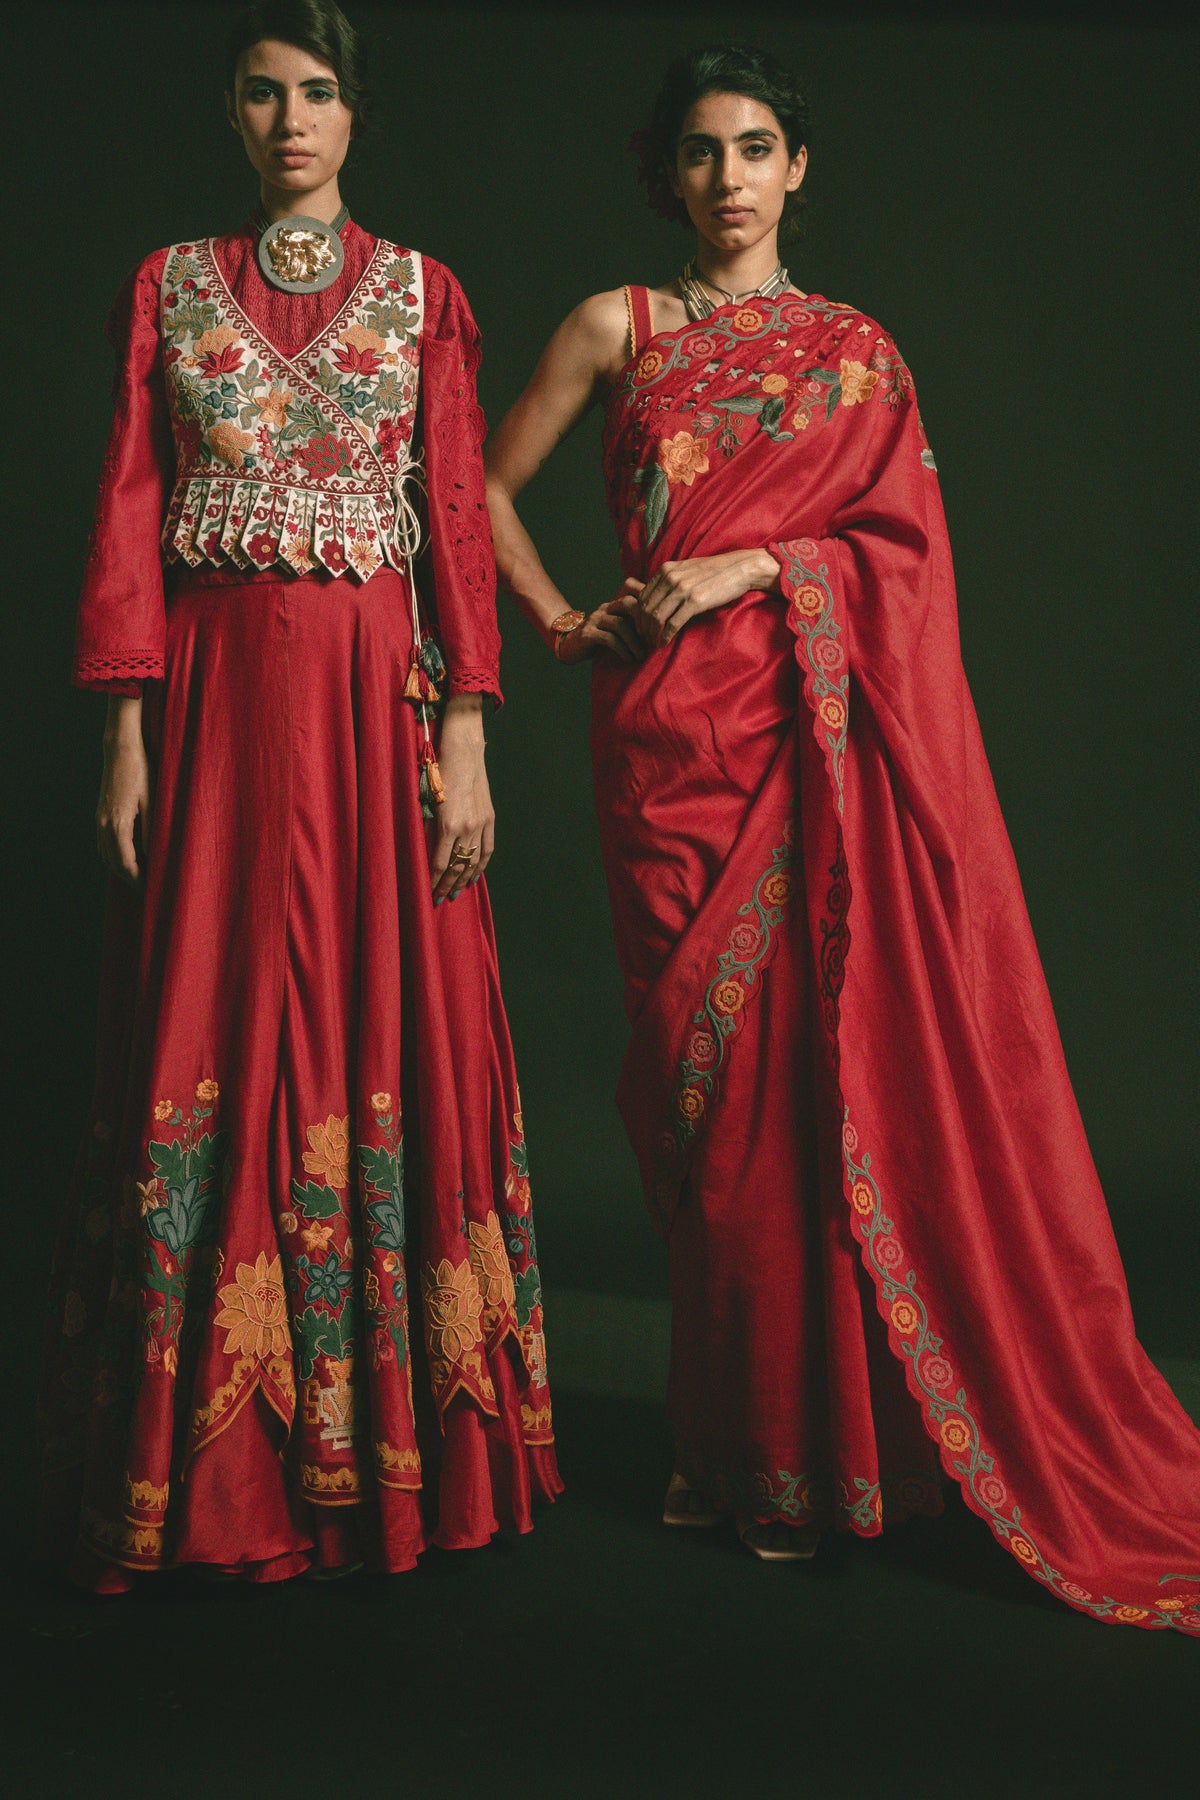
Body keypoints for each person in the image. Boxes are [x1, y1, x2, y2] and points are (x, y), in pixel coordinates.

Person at [484, 42, 1200, 1629]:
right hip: (669, 754)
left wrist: (757, 572)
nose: (728, 177)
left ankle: (816, 1460)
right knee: (709, 1116)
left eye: (755, 148)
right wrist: (556, 623)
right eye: (699, 152)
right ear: (666, 175)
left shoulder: (858, 354)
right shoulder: (622, 326)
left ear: (798, 168)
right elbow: (469, 484)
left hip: (813, 750)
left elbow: (904, 564)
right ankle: (726, 1442)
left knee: (815, 1099)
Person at [39, 0, 559, 1591]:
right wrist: (121, 729)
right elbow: (131, 499)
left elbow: (456, 525)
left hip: (367, 703)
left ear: (355, 115)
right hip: (208, 699)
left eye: (318, 94)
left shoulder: (425, 294)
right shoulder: (169, 286)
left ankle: (382, 1440)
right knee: (207, 1009)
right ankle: (209, 1453)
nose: (289, 122)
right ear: (231, 110)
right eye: (262, 94)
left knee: (376, 1011)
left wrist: (470, 732)